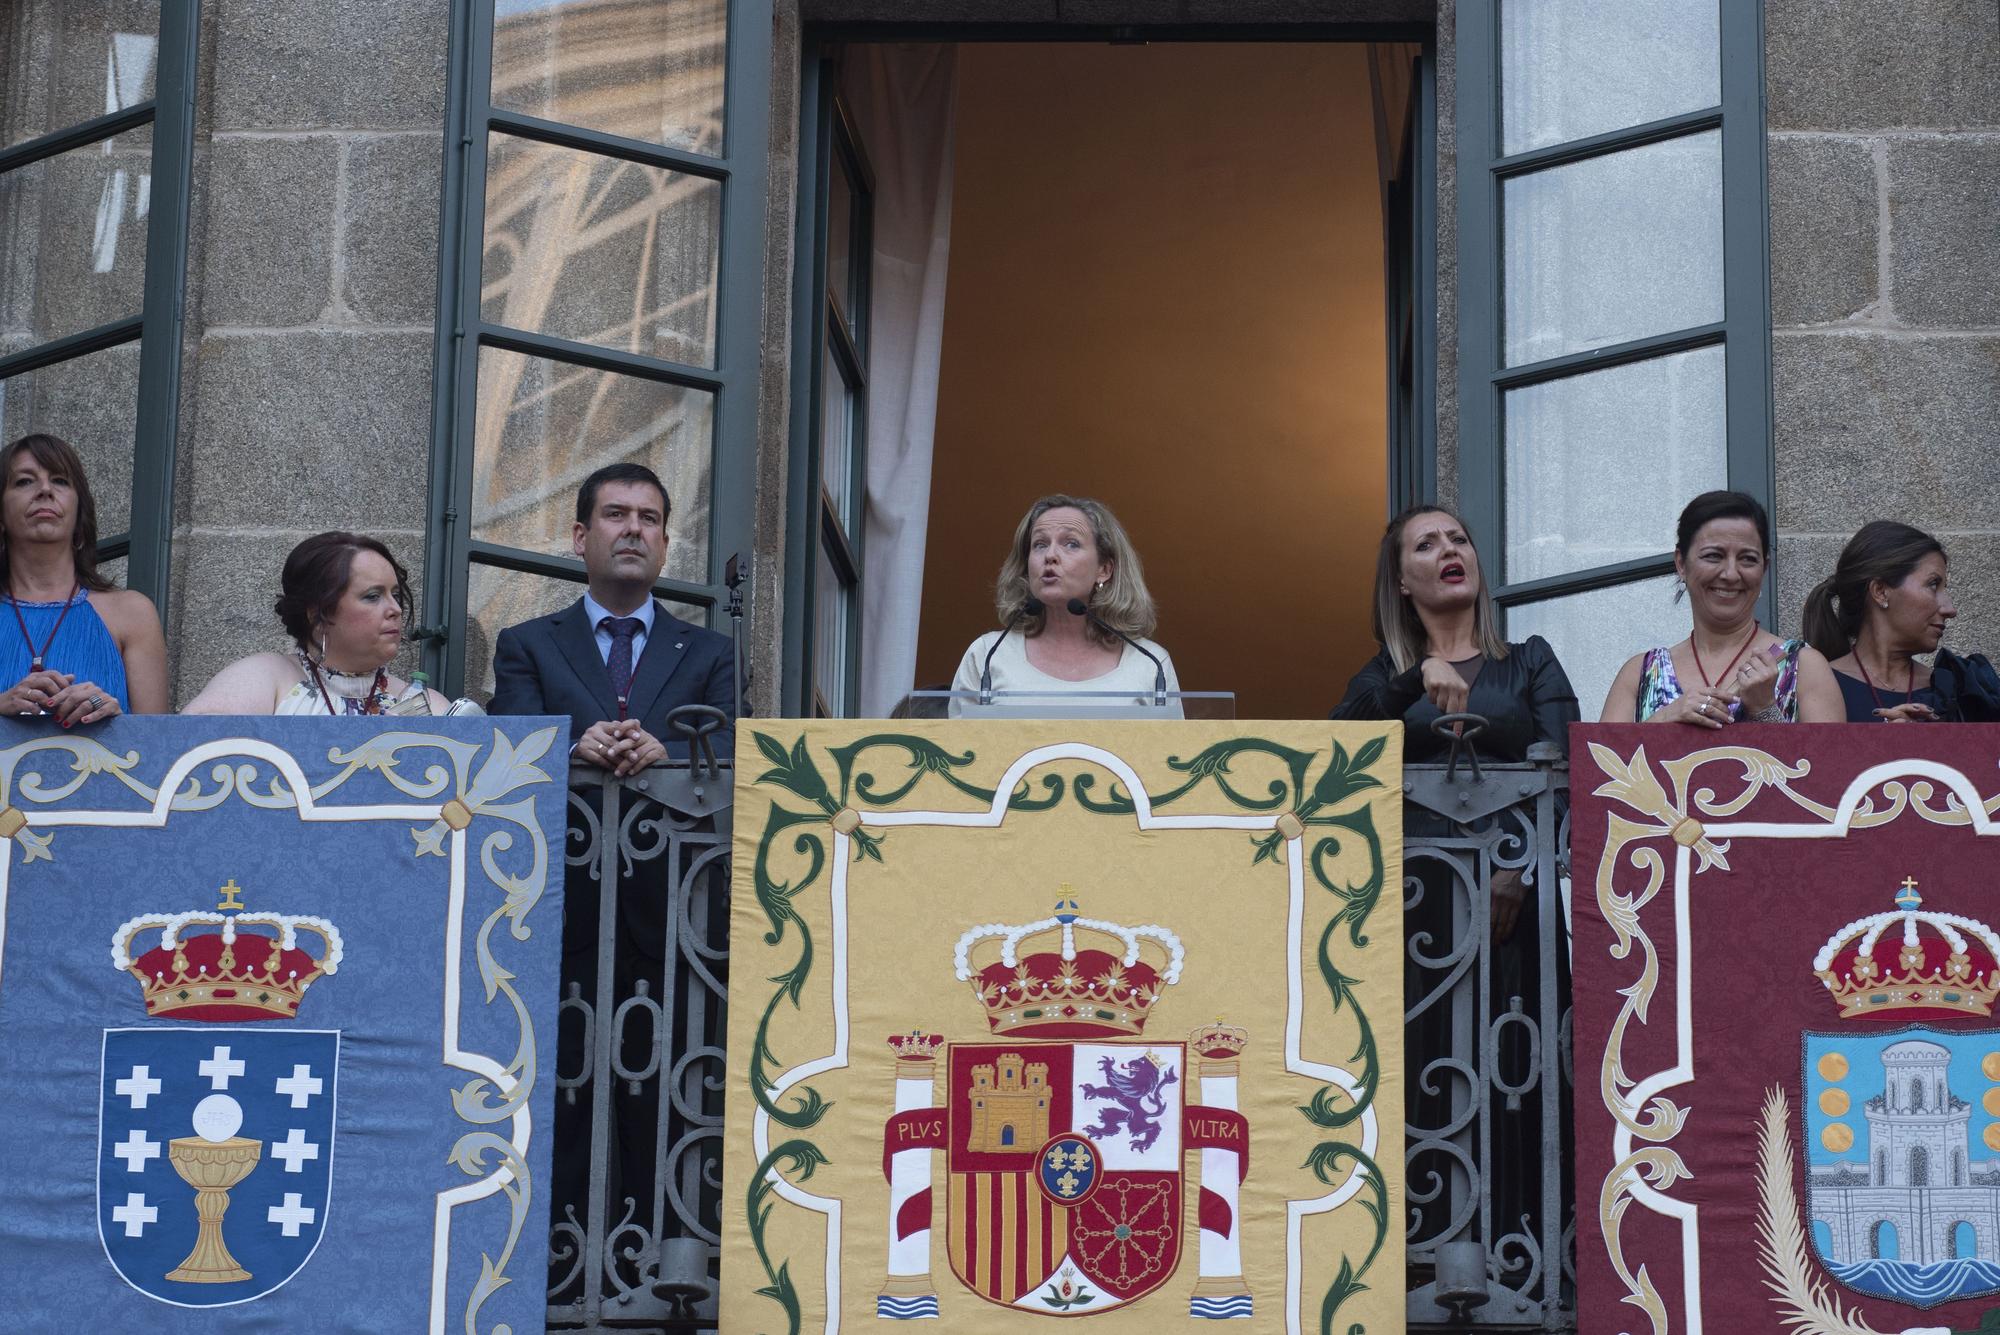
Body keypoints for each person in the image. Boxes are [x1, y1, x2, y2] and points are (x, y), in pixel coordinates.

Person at [1331, 504, 1577, 1281]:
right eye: (1426, 545)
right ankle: (1416, 1270)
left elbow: (1572, 773)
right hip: (1417, 912)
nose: (1449, 551)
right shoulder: (1381, 678)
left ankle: (1528, 1269)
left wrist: (1518, 866)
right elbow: (1333, 755)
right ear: (1401, 581)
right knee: (1420, 1071)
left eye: (1458, 539)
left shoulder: (1530, 659)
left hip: (1519, 906)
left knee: (1522, 1070)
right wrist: (1414, 677)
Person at [489, 462, 734, 767]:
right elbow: (511, 740)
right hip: (570, 815)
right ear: (580, 538)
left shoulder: (714, 653)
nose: (633, 528)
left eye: (648, 518)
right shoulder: (527, 645)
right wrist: (573, 747)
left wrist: (667, 756)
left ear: (664, 547)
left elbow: (735, 745)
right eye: (616, 514)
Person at [1601, 490, 1843, 726]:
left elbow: (1829, 765)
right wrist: (1663, 719)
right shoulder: (1639, 674)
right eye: (1713, 556)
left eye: (1747, 559)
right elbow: (1602, 764)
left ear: (1764, 568)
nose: (1730, 574)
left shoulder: (1805, 667)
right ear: (1681, 563)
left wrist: (1766, 711)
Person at [948, 494, 1180, 713]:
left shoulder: (1150, 664)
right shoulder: (987, 655)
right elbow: (960, 749)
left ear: (1104, 569)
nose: (1050, 555)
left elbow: (1170, 752)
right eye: (1039, 544)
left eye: (1071, 544)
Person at [183, 532, 450, 715]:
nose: (394, 609)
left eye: (396, 595)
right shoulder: (263, 677)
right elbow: (190, 756)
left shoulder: (426, 706)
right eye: (372, 596)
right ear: (317, 614)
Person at [0, 434, 166, 723]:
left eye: (61, 481)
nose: (45, 490)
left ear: (80, 513)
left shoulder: (132, 614)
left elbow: (159, 749)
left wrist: (116, 720)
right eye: (24, 481)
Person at [1804, 519, 2000, 722]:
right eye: (1933, 584)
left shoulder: (1960, 693)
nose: (1950, 609)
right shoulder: (1811, 687)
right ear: (1880, 592)